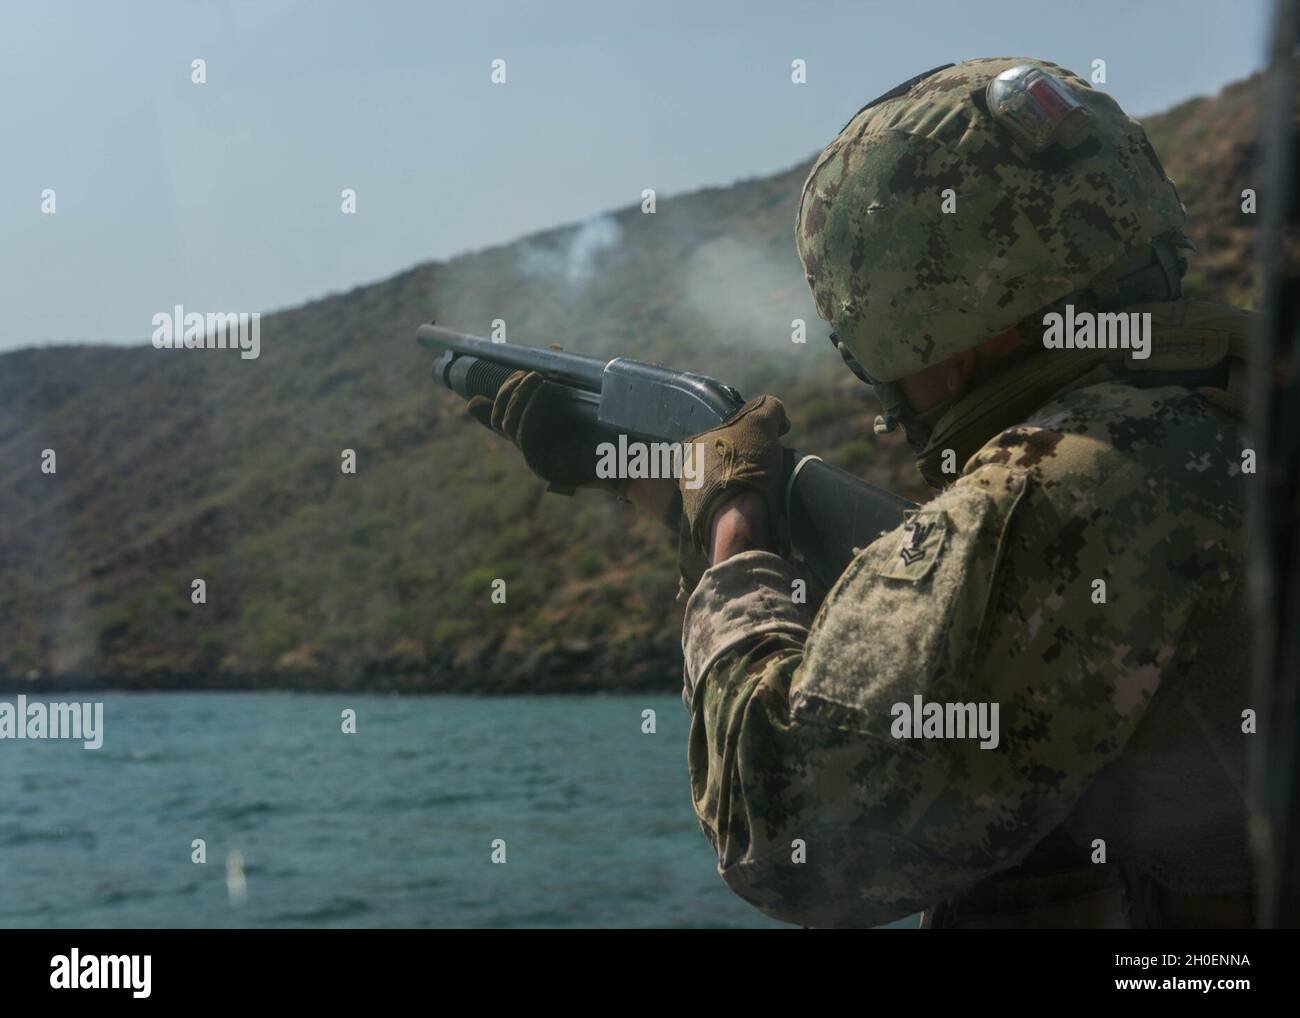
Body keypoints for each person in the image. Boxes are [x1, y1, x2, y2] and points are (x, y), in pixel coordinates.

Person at [473, 58, 1257, 928]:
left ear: (925, 318)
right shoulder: (1223, 401)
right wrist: (670, 495)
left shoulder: (1066, 483)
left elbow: (788, 832)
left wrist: (730, 525)